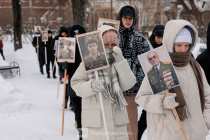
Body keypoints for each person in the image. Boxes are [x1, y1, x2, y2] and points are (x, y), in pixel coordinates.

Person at [135, 19, 210, 140]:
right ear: (171, 43)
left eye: (187, 45)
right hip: (166, 134)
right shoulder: (159, 67)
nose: (183, 49)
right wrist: (162, 102)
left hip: (195, 134)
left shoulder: (195, 67)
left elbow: (208, 97)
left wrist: (205, 123)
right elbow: (141, 97)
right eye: (179, 45)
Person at [71, 25, 136, 140]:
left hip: (118, 121)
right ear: (100, 44)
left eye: (113, 44)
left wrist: (121, 61)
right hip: (97, 122)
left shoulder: (118, 60)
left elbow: (129, 83)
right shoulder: (89, 61)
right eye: (106, 45)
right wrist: (92, 86)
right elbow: (76, 84)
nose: (110, 48)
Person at [118, 5, 150, 140]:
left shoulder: (139, 38)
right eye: (125, 18)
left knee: (131, 125)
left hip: (131, 90)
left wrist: (138, 80)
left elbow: (147, 63)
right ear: (120, 18)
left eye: (130, 18)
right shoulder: (112, 36)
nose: (128, 21)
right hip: (113, 89)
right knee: (115, 125)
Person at [67, 24, 86, 140]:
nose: (77, 36)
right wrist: (63, 65)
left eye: (79, 34)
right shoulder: (68, 46)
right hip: (73, 81)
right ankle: (80, 130)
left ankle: (84, 128)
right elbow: (64, 65)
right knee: (77, 107)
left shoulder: (87, 46)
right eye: (75, 34)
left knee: (84, 107)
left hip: (85, 81)